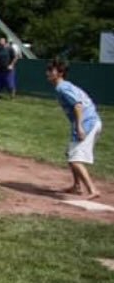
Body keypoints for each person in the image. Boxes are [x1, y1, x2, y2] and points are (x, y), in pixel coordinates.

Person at [47, 60, 103, 200]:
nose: (47, 73)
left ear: (60, 73)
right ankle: (76, 186)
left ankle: (93, 189)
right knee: (70, 154)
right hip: (90, 121)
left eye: (51, 70)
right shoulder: (64, 86)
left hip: (87, 123)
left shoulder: (62, 88)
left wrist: (79, 127)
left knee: (75, 160)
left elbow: (78, 106)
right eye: (48, 70)